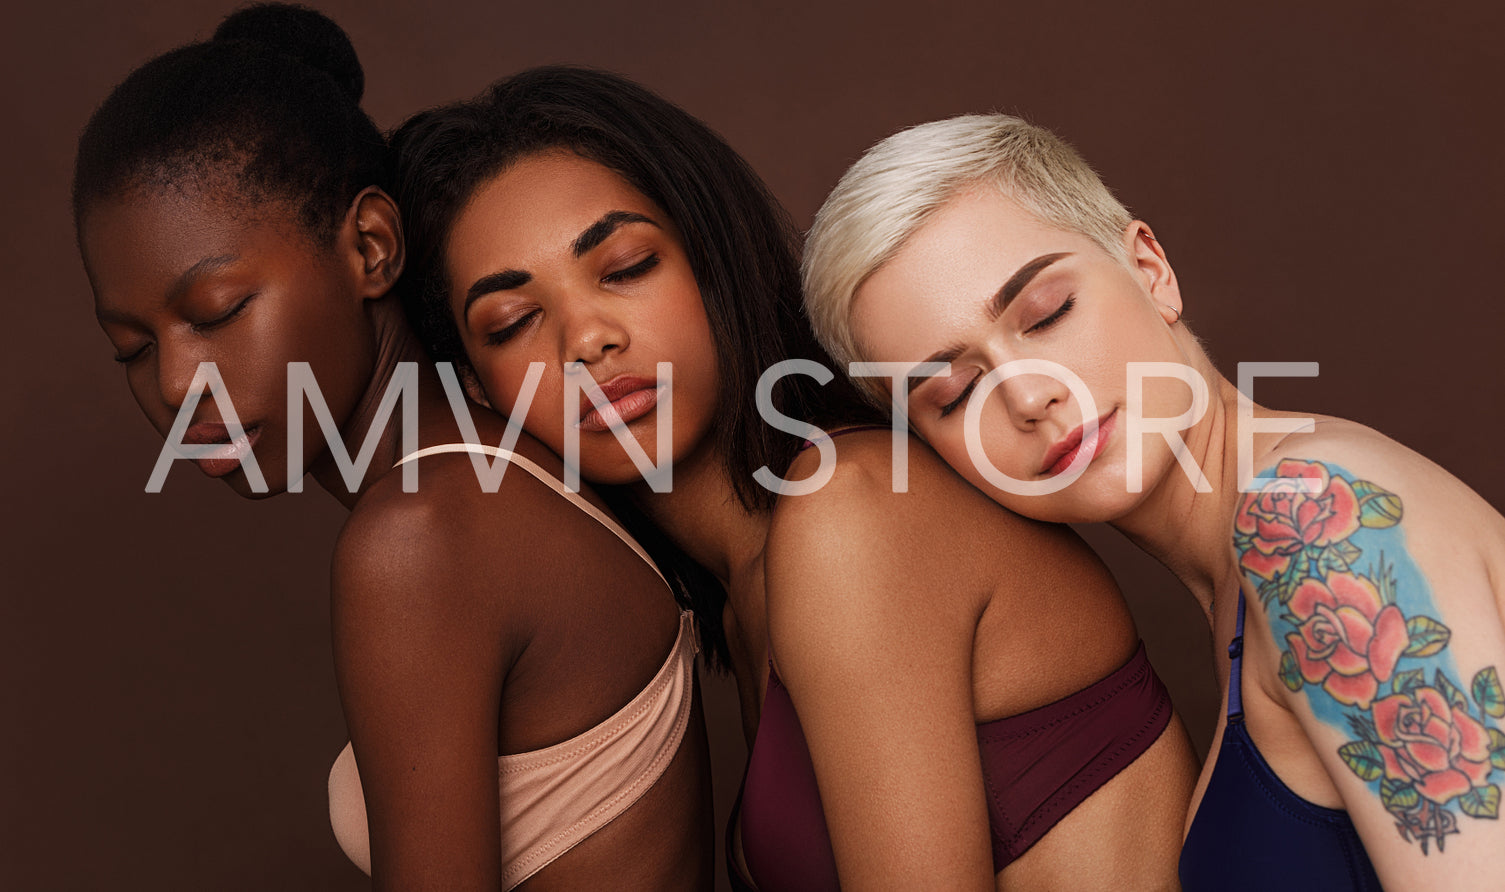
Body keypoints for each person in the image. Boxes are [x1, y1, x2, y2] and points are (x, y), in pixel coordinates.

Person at [391, 66, 1199, 890]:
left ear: (715, 259)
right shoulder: (745, 585)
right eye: (513, 321)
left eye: (627, 266)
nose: (585, 339)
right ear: (482, 390)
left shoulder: (853, 507)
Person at [73, 6, 712, 889]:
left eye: (217, 312)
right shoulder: (507, 460)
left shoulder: (419, 535)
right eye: (133, 348)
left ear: (370, 247)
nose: (179, 382)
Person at [801, 112, 1505, 890]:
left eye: (1045, 315)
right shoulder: (1249, 567)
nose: (1031, 396)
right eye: (954, 392)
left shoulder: (1315, 520)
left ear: (1150, 269)